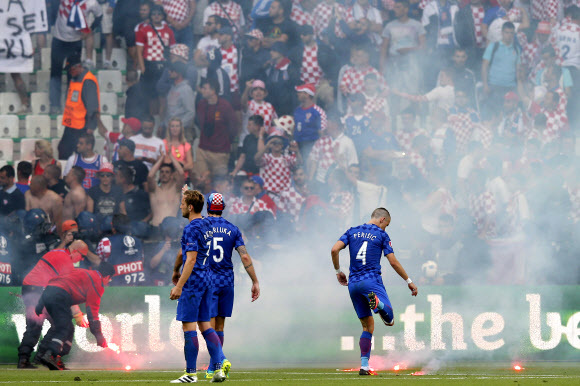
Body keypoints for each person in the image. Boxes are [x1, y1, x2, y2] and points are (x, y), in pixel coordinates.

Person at [330, 208, 418, 375]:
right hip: (371, 281)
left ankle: (364, 366)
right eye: (387, 225)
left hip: (353, 283)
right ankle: (378, 303)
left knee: (367, 326)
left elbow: (334, 250)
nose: (386, 228)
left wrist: (338, 271)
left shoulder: (352, 231)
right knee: (389, 320)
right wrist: (409, 281)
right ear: (382, 220)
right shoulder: (381, 235)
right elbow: (393, 262)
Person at [169, 189, 229, 383]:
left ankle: (190, 373)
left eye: (183, 203)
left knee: (189, 328)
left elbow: (191, 258)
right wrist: (187, 192)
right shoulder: (207, 224)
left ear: (190, 207)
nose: (180, 206)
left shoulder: (191, 229)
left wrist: (179, 285)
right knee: (205, 325)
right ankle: (219, 368)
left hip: (194, 282)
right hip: (208, 280)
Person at [204, 193, 260, 378]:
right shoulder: (233, 229)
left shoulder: (201, 226)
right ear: (223, 207)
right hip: (227, 281)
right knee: (219, 327)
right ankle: (214, 368)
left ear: (208, 206)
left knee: (208, 326)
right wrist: (255, 280)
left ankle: (219, 361)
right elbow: (244, 256)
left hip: (208, 280)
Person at [17, 240, 89, 369]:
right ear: (76, 252)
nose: (81, 259)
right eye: (82, 256)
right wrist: (78, 314)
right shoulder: (67, 263)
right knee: (61, 324)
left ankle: (24, 359)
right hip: (40, 289)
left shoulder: (56, 251)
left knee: (34, 324)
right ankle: (43, 355)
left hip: (29, 287)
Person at [35, 262, 115, 370]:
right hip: (60, 296)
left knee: (68, 327)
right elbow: (92, 311)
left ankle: (55, 358)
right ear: (106, 276)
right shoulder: (97, 282)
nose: (108, 283)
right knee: (64, 327)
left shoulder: (80, 271)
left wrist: (40, 304)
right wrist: (99, 335)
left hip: (48, 293)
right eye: (110, 280)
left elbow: (55, 282)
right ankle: (50, 354)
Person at [49, 0, 102, 115]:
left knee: (72, 75)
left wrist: (90, 30)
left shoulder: (91, 2)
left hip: (75, 42)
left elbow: (99, 16)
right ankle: (54, 104)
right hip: (58, 39)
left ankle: (70, 105)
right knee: (55, 73)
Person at [59, 54, 101, 160]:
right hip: (71, 124)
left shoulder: (88, 81)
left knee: (81, 154)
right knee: (63, 150)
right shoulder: (75, 78)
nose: (70, 72)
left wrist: (91, 127)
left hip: (82, 126)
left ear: (79, 66)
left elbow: (93, 107)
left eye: (71, 69)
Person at [194, 78, 237, 180]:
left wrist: (225, 142)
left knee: (218, 182)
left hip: (220, 152)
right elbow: (199, 123)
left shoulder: (225, 105)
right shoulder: (201, 104)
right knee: (202, 180)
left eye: (205, 88)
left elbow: (233, 127)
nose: (202, 90)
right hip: (203, 149)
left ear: (213, 91)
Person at [96, 214, 146, 286]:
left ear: (113, 227)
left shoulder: (106, 242)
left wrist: (85, 251)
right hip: (137, 285)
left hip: (115, 288)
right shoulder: (138, 241)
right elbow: (142, 261)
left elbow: (98, 262)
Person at [147, 155, 185, 227]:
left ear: (171, 175)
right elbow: (150, 176)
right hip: (156, 228)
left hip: (171, 230)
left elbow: (181, 173)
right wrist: (161, 158)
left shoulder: (176, 190)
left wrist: (171, 156)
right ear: (159, 174)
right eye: (162, 172)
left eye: (167, 172)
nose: (164, 174)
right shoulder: (154, 190)